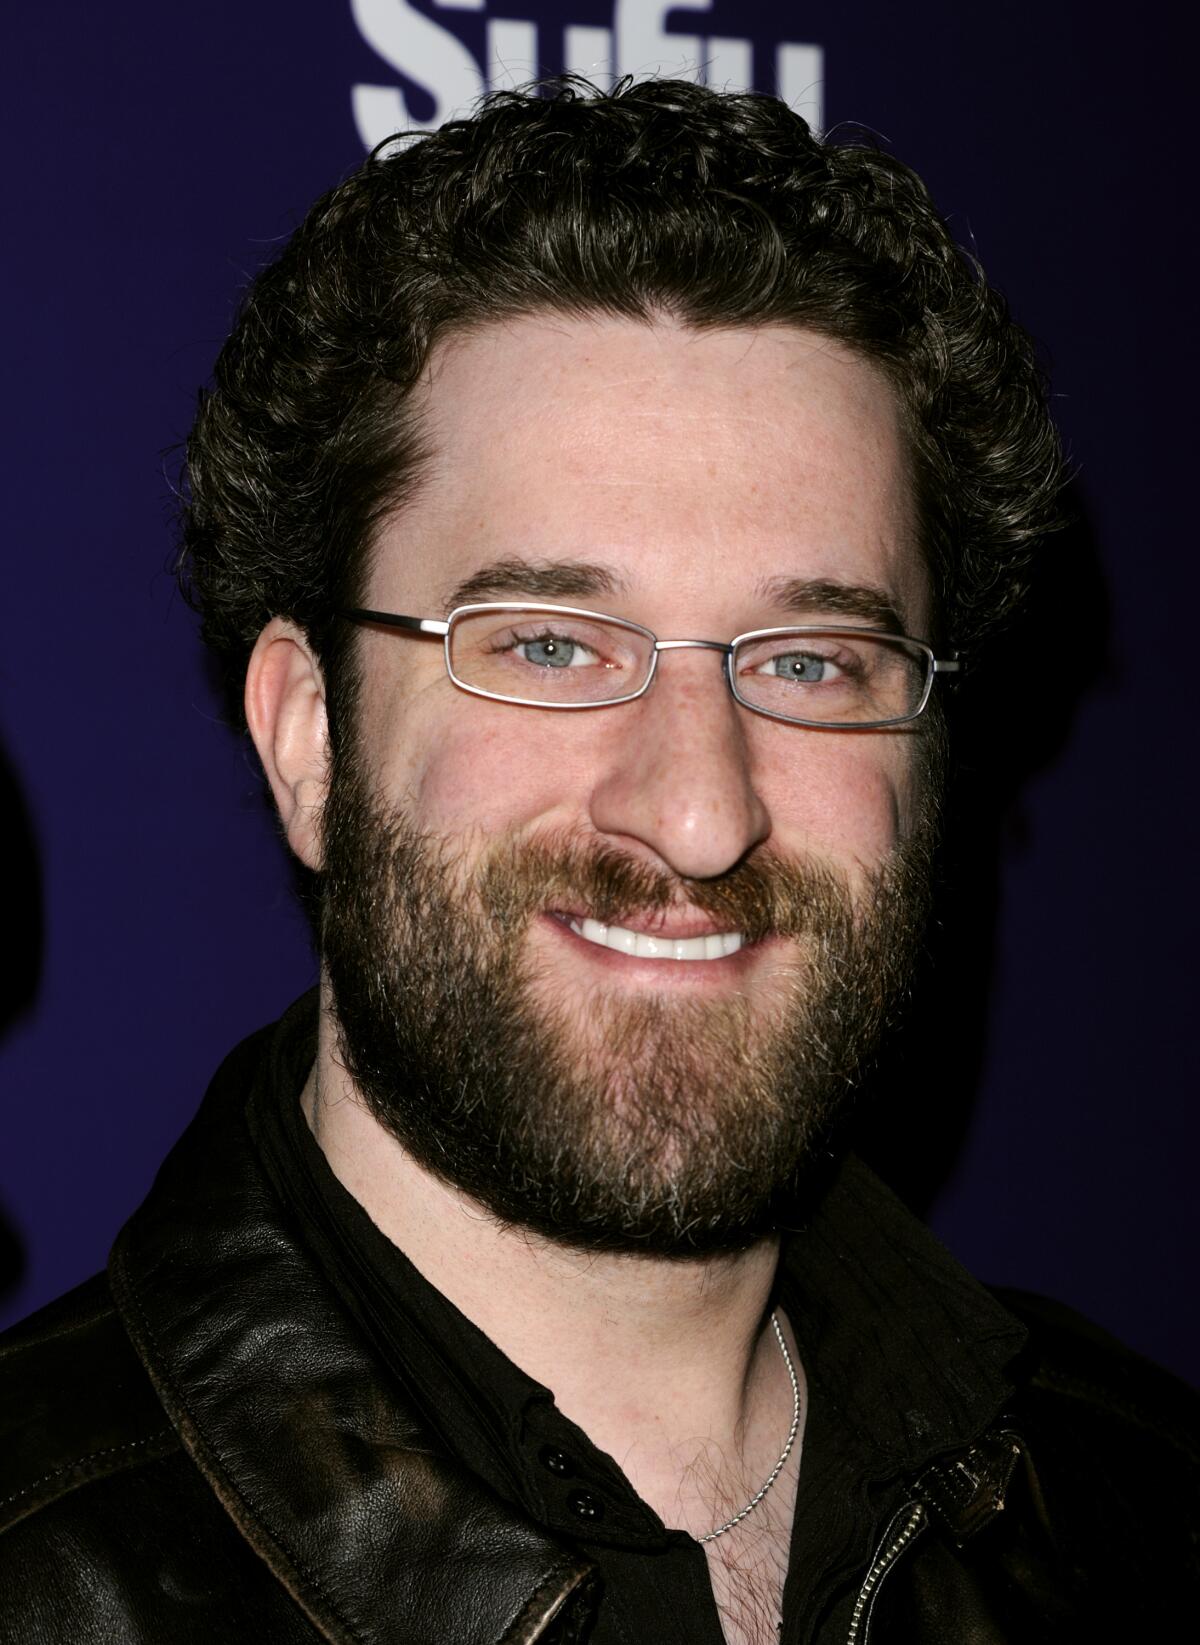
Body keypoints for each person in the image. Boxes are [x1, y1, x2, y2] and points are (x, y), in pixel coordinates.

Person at [0, 77, 1194, 1644]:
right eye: (554, 643)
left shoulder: (1146, 1502)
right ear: (309, 739)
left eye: (812, 659)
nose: (701, 813)